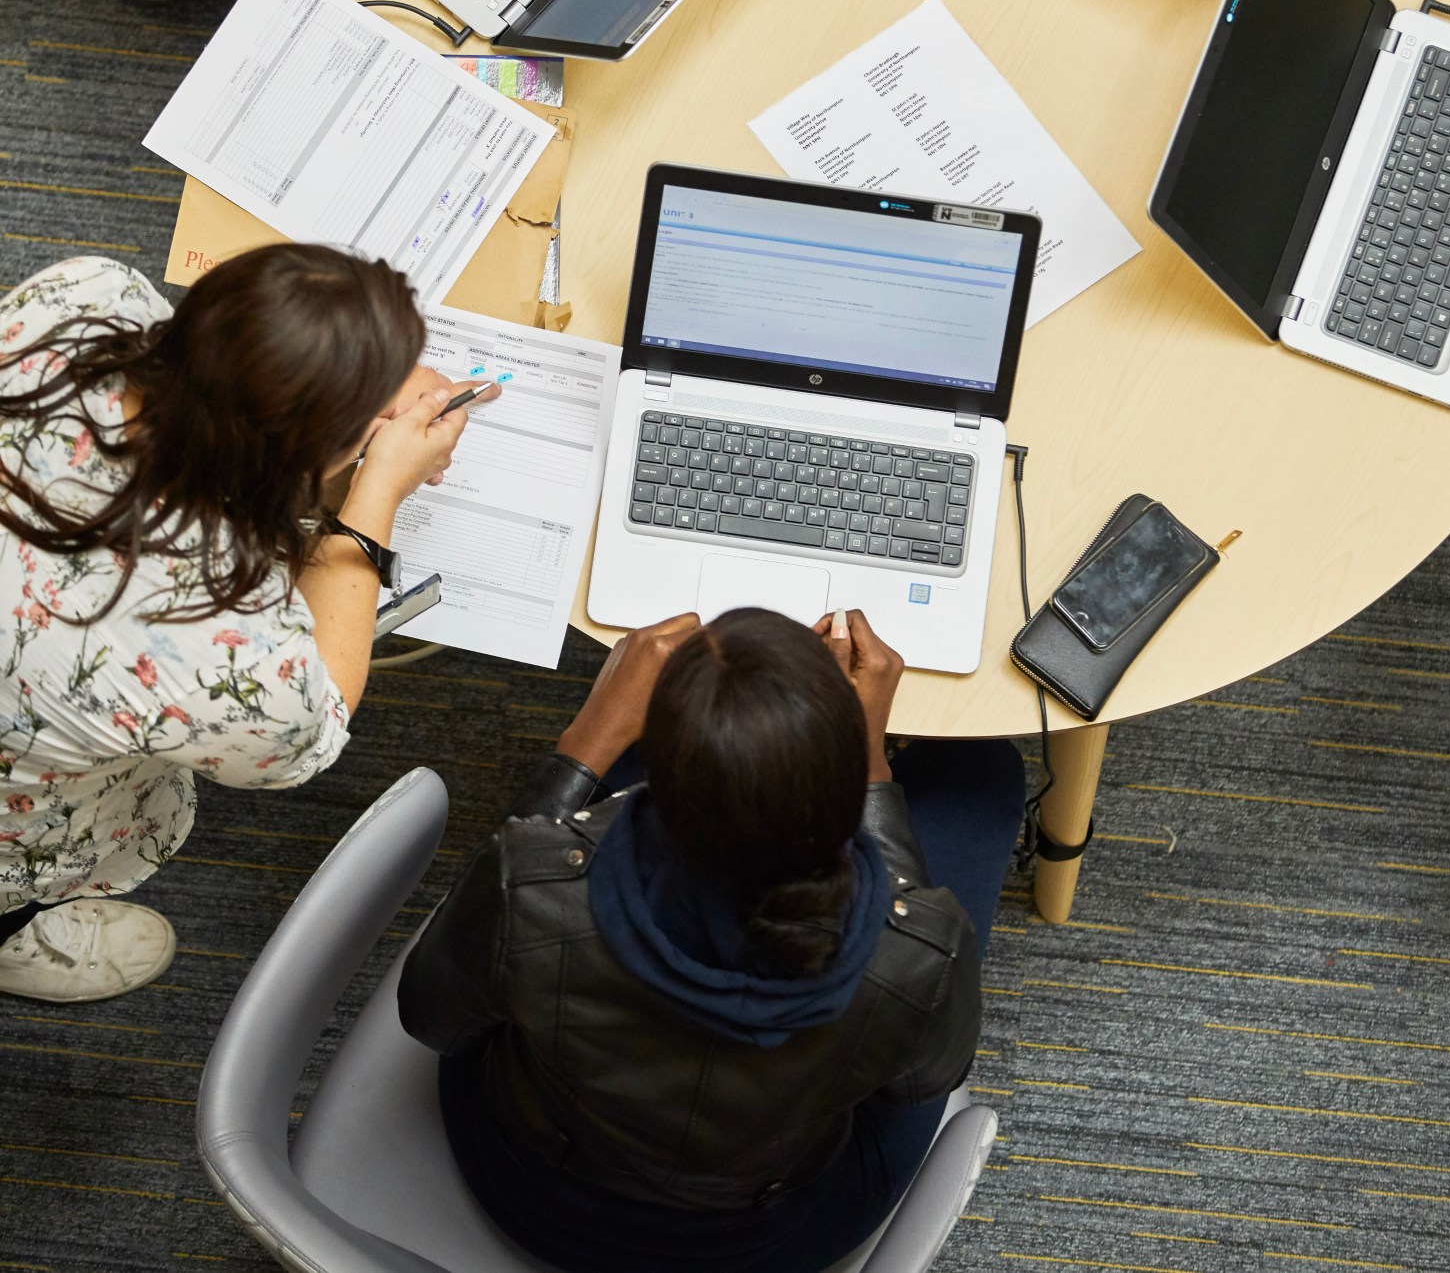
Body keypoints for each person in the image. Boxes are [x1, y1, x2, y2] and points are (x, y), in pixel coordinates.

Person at [398, 606, 1024, 1273]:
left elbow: (432, 1020)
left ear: (657, 780)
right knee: (985, 776)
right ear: (834, 805)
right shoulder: (918, 955)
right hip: (756, 1243)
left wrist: (584, 744)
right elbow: (926, 1079)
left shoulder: (526, 883)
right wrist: (870, 765)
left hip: (537, 1192)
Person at [0, 249, 486, 1003]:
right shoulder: (210, 636)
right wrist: (377, 490)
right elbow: (312, 728)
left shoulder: (86, 297)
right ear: (306, 455)